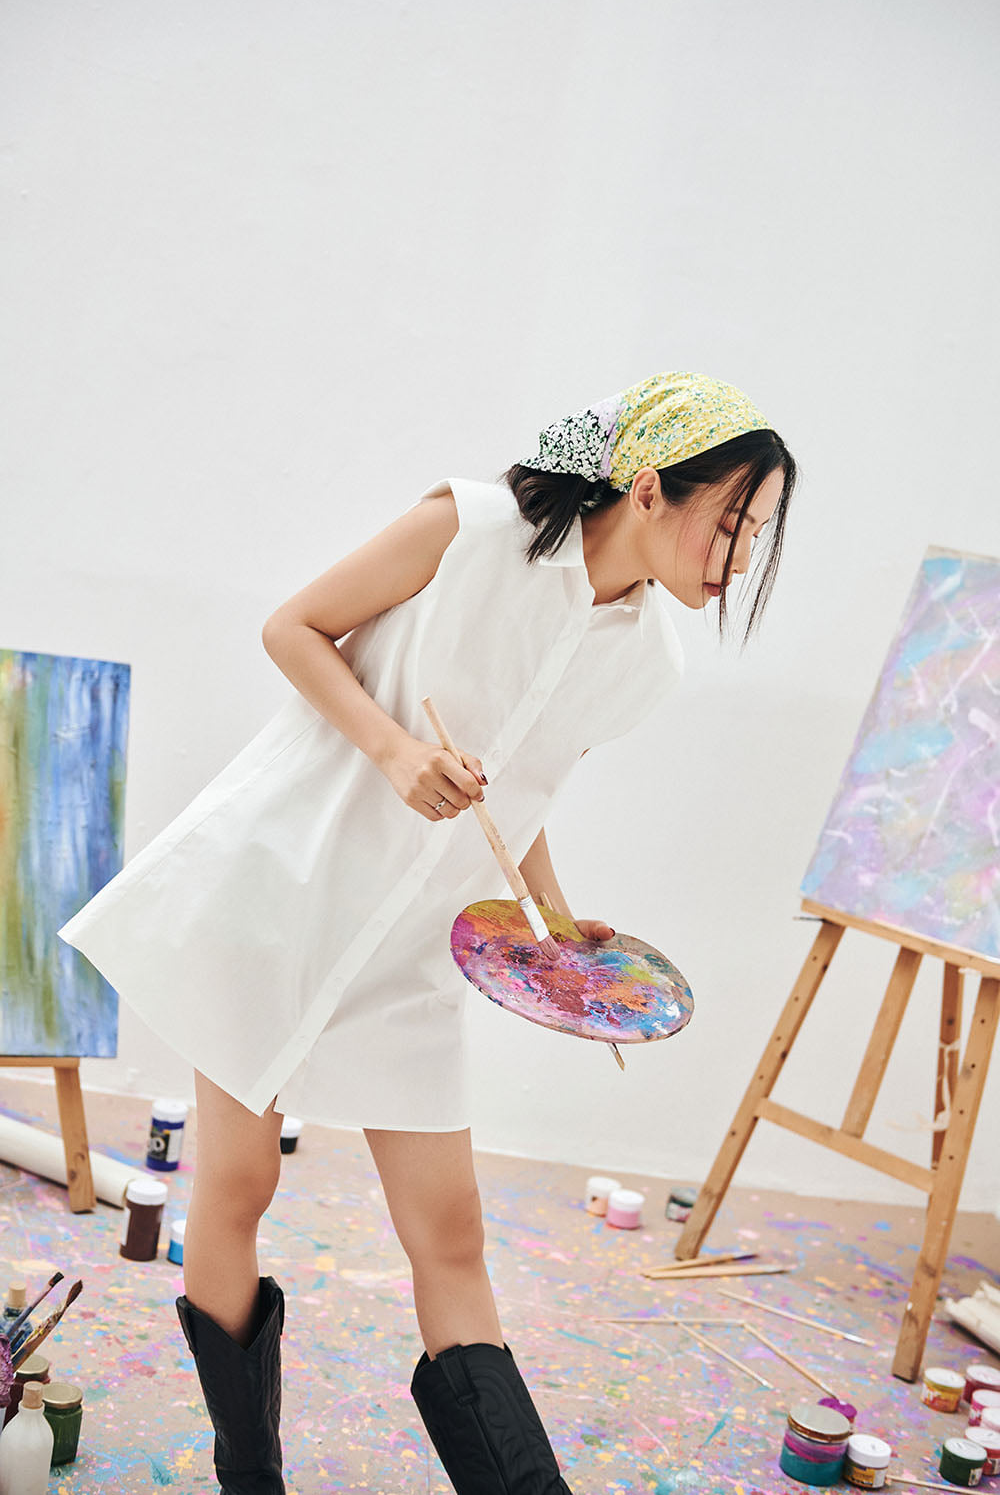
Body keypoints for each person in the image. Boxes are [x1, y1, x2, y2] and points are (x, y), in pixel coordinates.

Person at [57, 371, 797, 1493]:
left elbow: (527, 796)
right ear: (649, 489)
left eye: (759, 535)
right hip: (281, 896)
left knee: (451, 1235)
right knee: (239, 1186)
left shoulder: (647, 658)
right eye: (734, 522)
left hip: (415, 953)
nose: (741, 558)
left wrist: (554, 927)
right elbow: (293, 626)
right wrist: (396, 751)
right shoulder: (473, 527)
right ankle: (248, 1475)